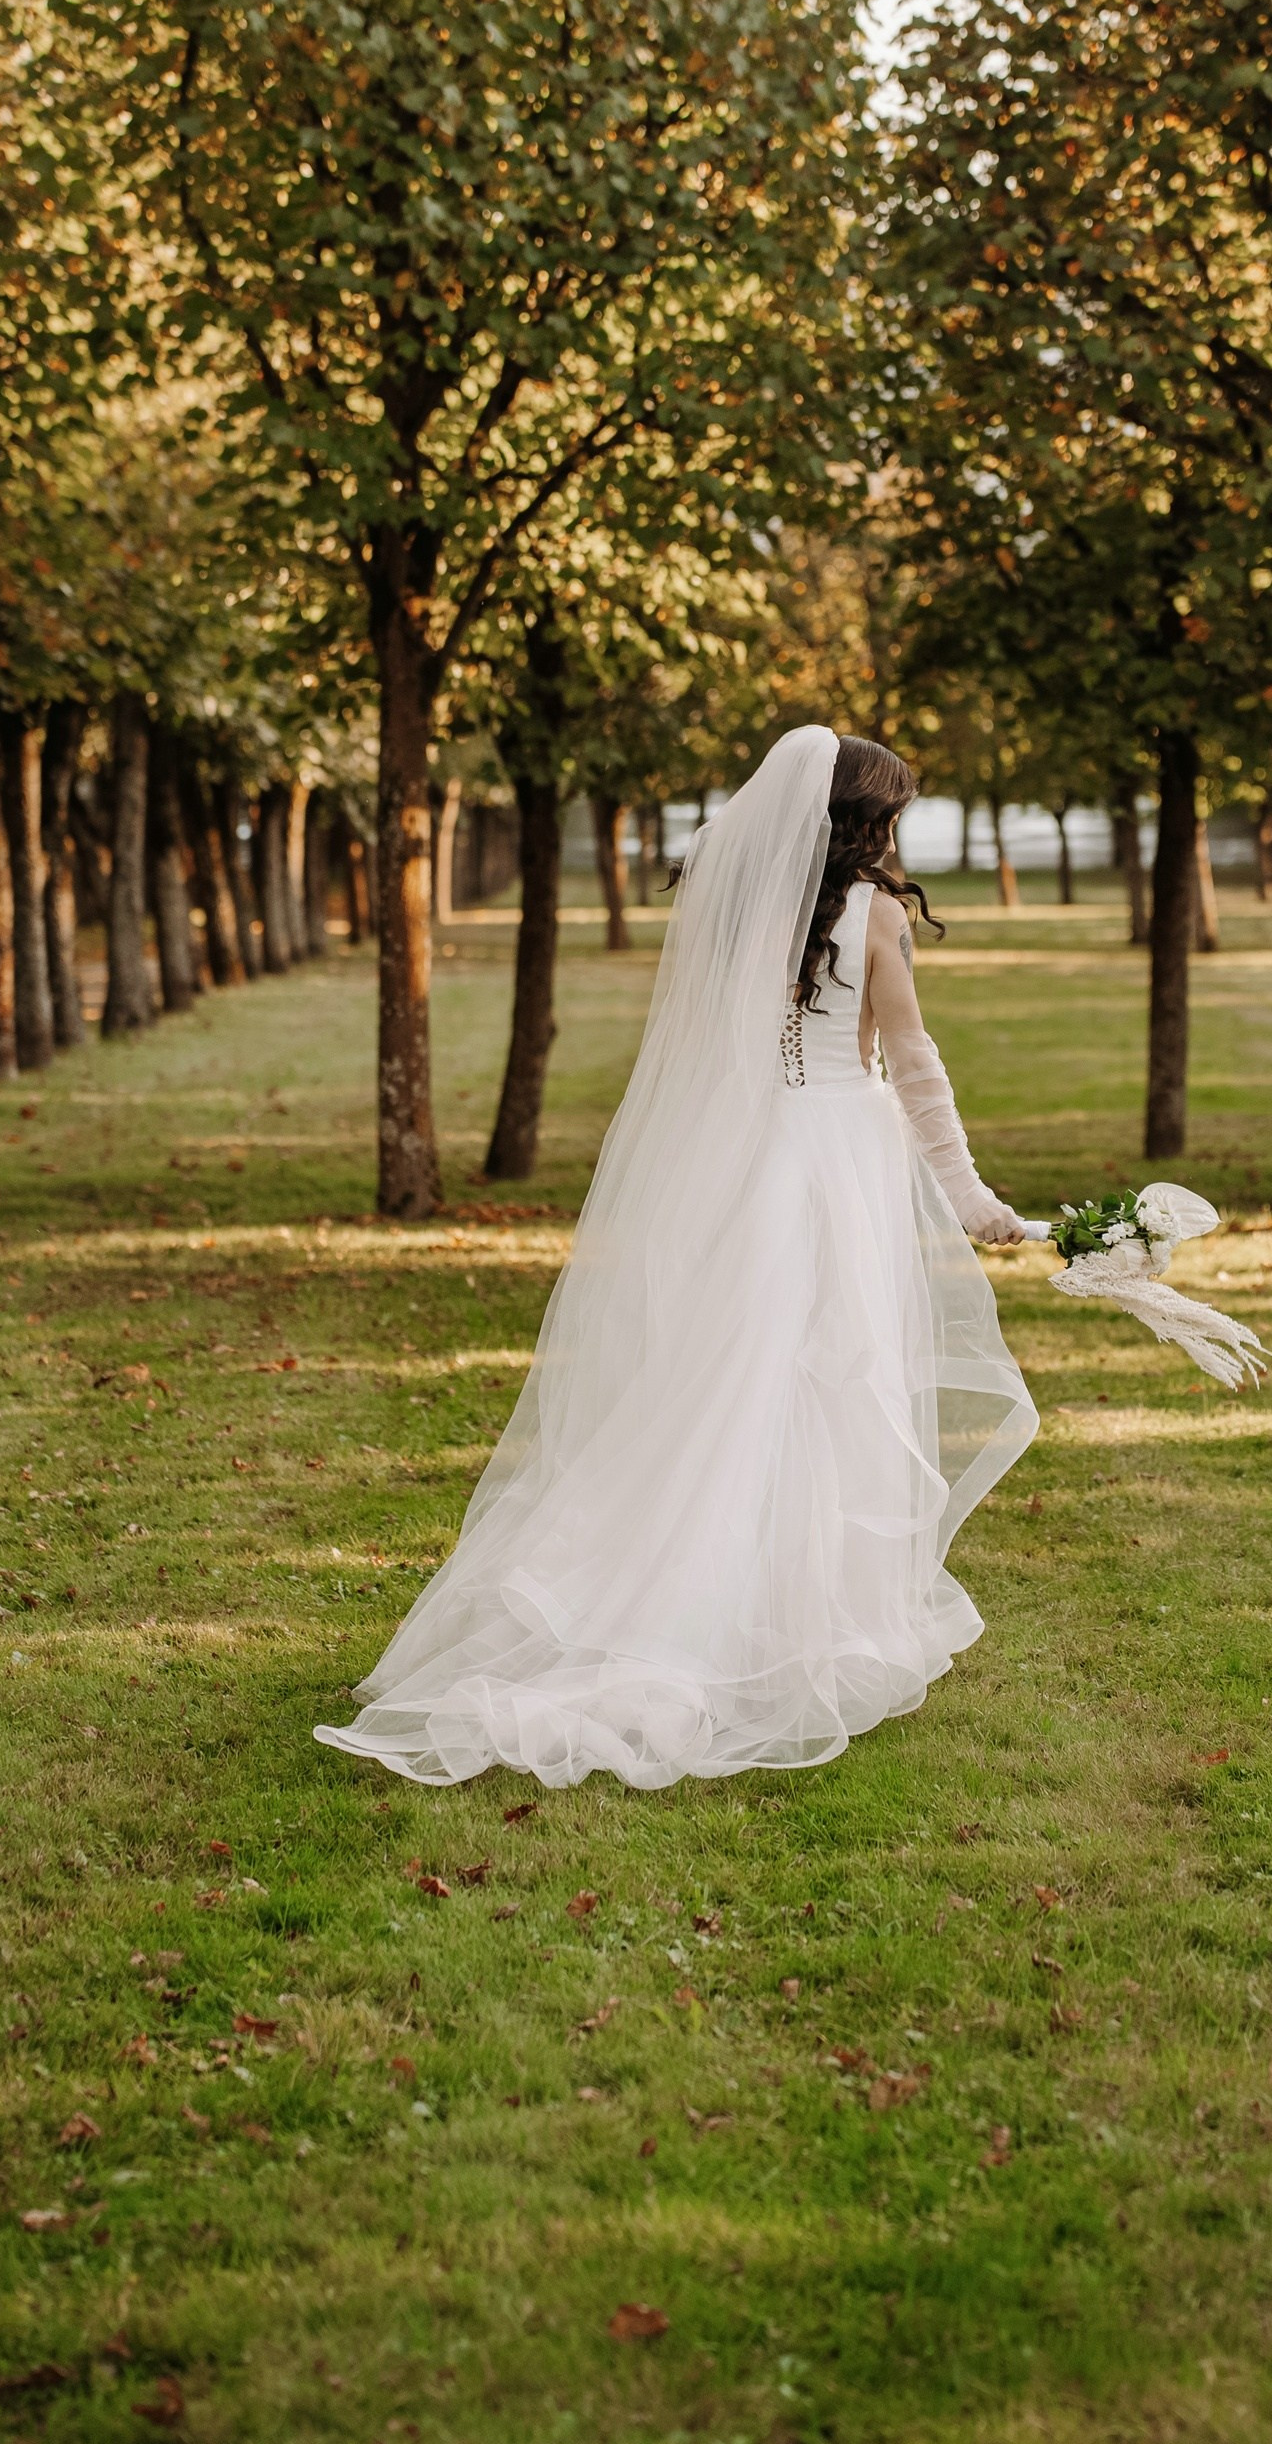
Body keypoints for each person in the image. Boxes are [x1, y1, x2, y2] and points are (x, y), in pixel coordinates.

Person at [315, 727, 1037, 1792]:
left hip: (746, 1166)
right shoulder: (876, 913)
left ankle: (707, 1605)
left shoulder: (724, 902)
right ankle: (773, 1627)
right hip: (839, 1165)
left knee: (724, 1383)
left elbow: (704, 1048)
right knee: (829, 1384)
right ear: (861, 820)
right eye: (889, 814)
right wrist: (969, 1196)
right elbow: (912, 1059)